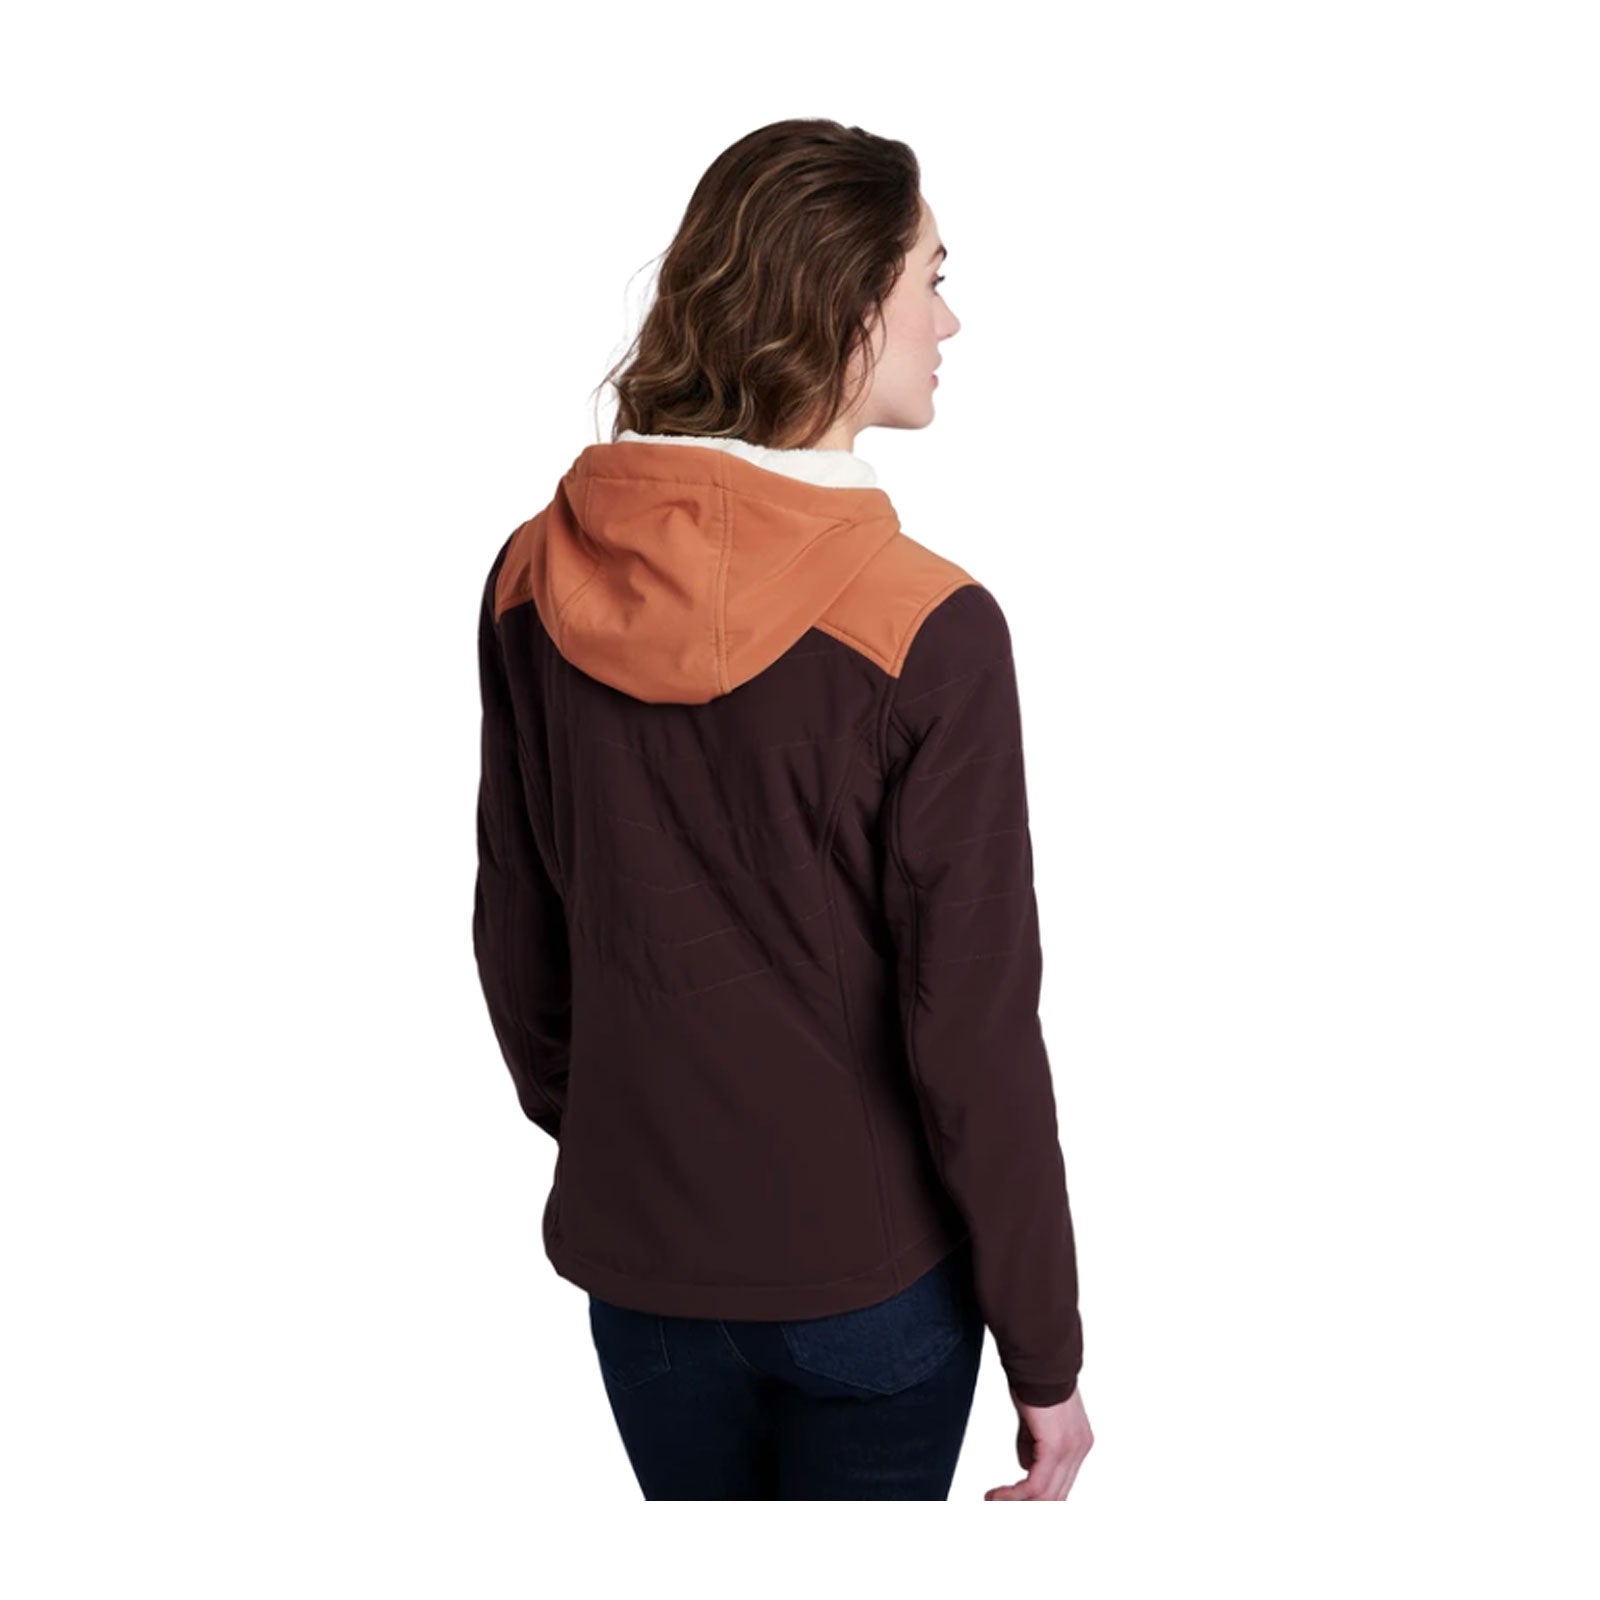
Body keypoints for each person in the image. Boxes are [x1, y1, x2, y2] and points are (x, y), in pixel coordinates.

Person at [472, 118, 1094, 1500]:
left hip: (642, 1274)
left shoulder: (530, 576)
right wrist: (1045, 1355)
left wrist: (635, 1143)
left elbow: (519, 930)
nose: (950, 320)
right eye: (932, 278)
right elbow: (977, 1035)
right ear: (851, 303)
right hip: (872, 1284)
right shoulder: (928, 625)